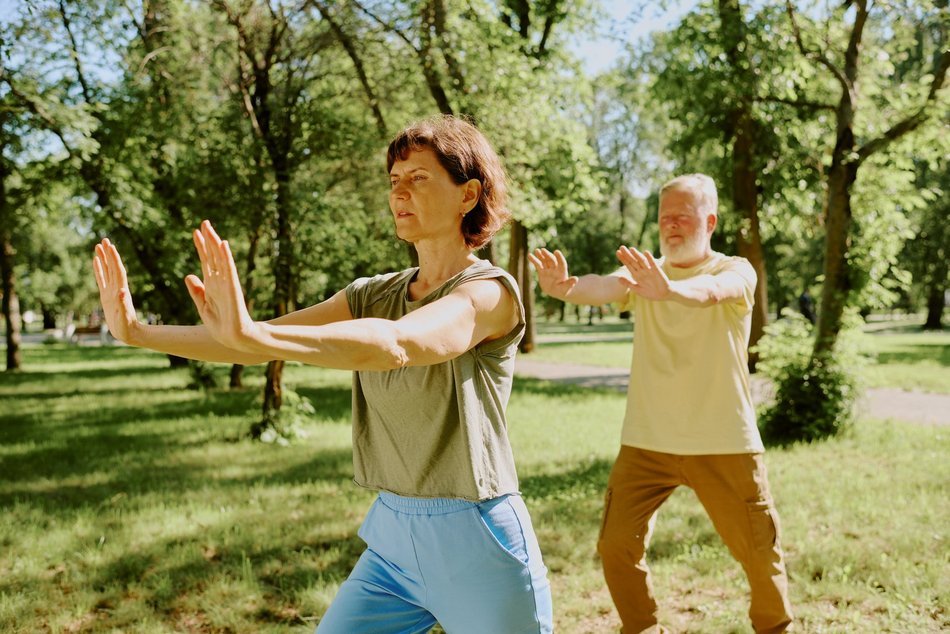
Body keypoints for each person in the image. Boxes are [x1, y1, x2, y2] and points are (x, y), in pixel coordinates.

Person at [93, 115, 552, 634]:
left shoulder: (490, 291)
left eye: (418, 178)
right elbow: (250, 340)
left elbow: (401, 343)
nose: (399, 191)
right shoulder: (371, 293)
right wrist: (138, 333)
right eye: (393, 180)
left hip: (479, 541)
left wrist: (255, 337)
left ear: (468, 194)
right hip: (395, 543)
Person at [529, 173, 793, 633]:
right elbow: (604, 286)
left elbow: (713, 294)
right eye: (664, 217)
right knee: (616, 545)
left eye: (682, 216)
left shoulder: (733, 270)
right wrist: (564, 288)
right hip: (647, 443)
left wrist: (669, 290)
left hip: (724, 441)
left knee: (758, 551)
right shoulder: (645, 271)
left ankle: (775, 629)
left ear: (709, 221)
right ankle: (643, 627)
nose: (671, 226)